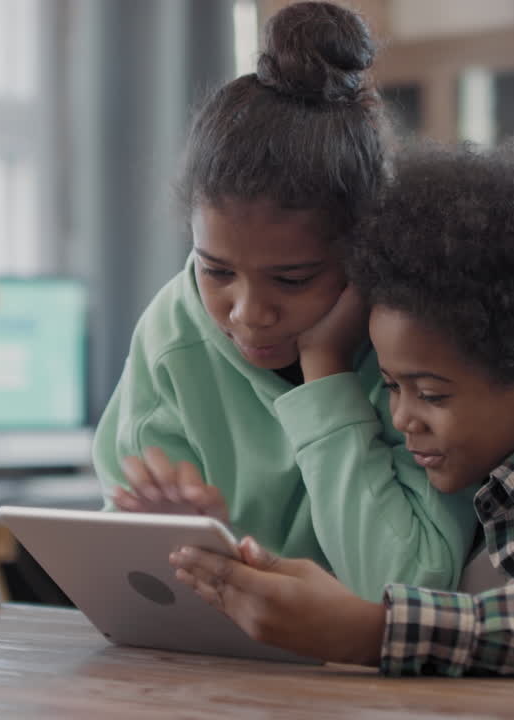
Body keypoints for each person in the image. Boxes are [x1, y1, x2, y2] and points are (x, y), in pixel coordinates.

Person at [169, 142, 514, 676]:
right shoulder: (482, 464)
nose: (402, 418)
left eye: (432, 394)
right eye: (391, 386)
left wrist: (370, 632)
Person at [93, 1, 478, 603]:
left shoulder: (421, 352)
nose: (248, 313)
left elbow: (409, 588)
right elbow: (130, 587)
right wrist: (183, 543)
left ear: (364, 252)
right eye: (216, 270)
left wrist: (326, 377)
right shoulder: (173, 334)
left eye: (292, 279)